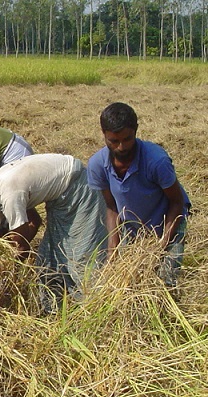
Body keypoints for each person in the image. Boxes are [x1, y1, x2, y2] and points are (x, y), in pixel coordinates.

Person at [0, 156, 108, 312]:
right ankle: (56, 311)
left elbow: (22, 249)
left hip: (78, 190)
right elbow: (34, 221)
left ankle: (96, 308)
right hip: (59, 201)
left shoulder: (10, 194)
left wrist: (0, 277)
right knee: (48, 259)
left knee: (81, 257)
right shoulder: (0, 179)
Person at [87, 102, 191, 287]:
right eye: (113, 141)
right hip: (134, 226)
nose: (121, 147)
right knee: (128, 281)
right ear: (104, 135)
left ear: (135, 131)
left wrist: (160, 246)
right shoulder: (97, 164)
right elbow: (111, 207)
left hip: (168, 221)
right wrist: (113, 249)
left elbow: (177, 202)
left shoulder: (156, 161)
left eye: (127, 139)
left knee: (164, 282)